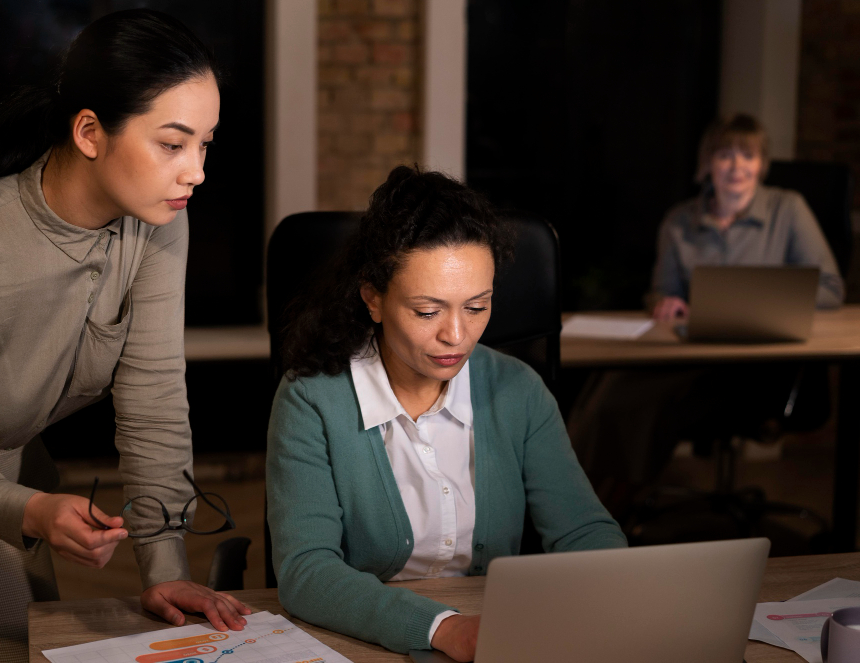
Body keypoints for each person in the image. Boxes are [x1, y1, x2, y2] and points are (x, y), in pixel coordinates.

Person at [0, 10, 249, 663]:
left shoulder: (157, 224)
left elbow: (154, 401)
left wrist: (164, 567)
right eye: (173, 143)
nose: (196, 172)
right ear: (91, 132)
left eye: (205, 144)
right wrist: (34, 512)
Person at [266, 166, 626, 662]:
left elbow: (584, 531)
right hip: (362, 642)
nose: (456, 336)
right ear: (373, 298)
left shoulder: (519, 390)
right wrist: (441, 627)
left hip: (498, 637)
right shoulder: (311, 399)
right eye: (427, 311)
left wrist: (623, 601)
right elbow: (306, 571)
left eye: (476, 307)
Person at [569, 113, 845, 513]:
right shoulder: (680, 221)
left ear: (761, 163)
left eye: (747, 156)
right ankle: (585, 500)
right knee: (604, 385)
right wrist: (665, 302)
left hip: (761, 363)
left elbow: (831, 289)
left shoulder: (789, 209)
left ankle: (606, 505)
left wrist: (753, 302)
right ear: (708, 163)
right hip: (692, 352)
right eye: (725, 155)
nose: (736, 166)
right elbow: (662, 292)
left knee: (626, 401)